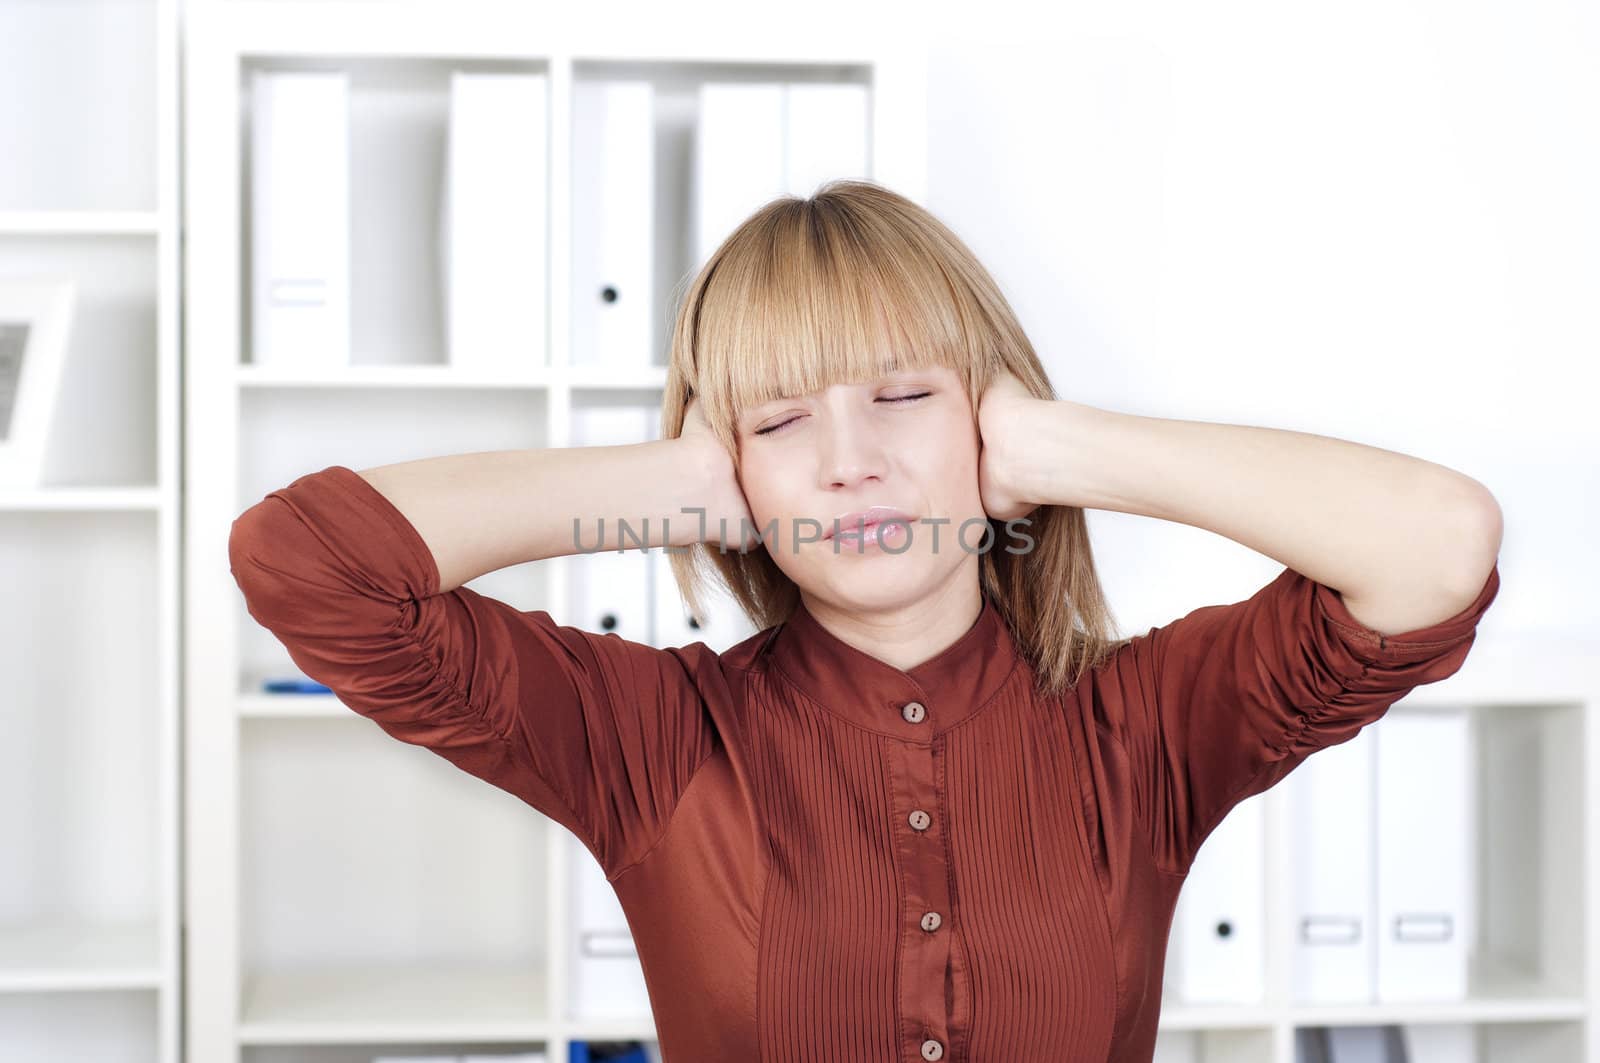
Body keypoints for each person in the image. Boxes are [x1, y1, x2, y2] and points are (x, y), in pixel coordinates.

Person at [229, 179, 1502, 1062]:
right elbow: (304, 563)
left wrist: (1059, 445)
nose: (848, 463)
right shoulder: (652, 739)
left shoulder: (1149, 722)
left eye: (901, 394)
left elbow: (1437, 545)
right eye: (781, 422)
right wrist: (673, 484)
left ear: (990, 420)